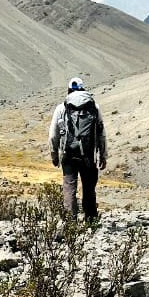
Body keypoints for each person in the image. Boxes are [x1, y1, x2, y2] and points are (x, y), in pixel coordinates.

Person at [49, 77, 107, 221]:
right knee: (88, 186)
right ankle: (91, 218)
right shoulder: (94, 107)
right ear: (83, 89)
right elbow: (101, 133)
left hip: (68, 154)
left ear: (69, 90)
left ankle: (70, 221)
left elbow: (53, 135)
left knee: (69, 186)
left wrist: (54, 154)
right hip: (88, 154)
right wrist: (103, 155)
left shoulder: (61, 108)